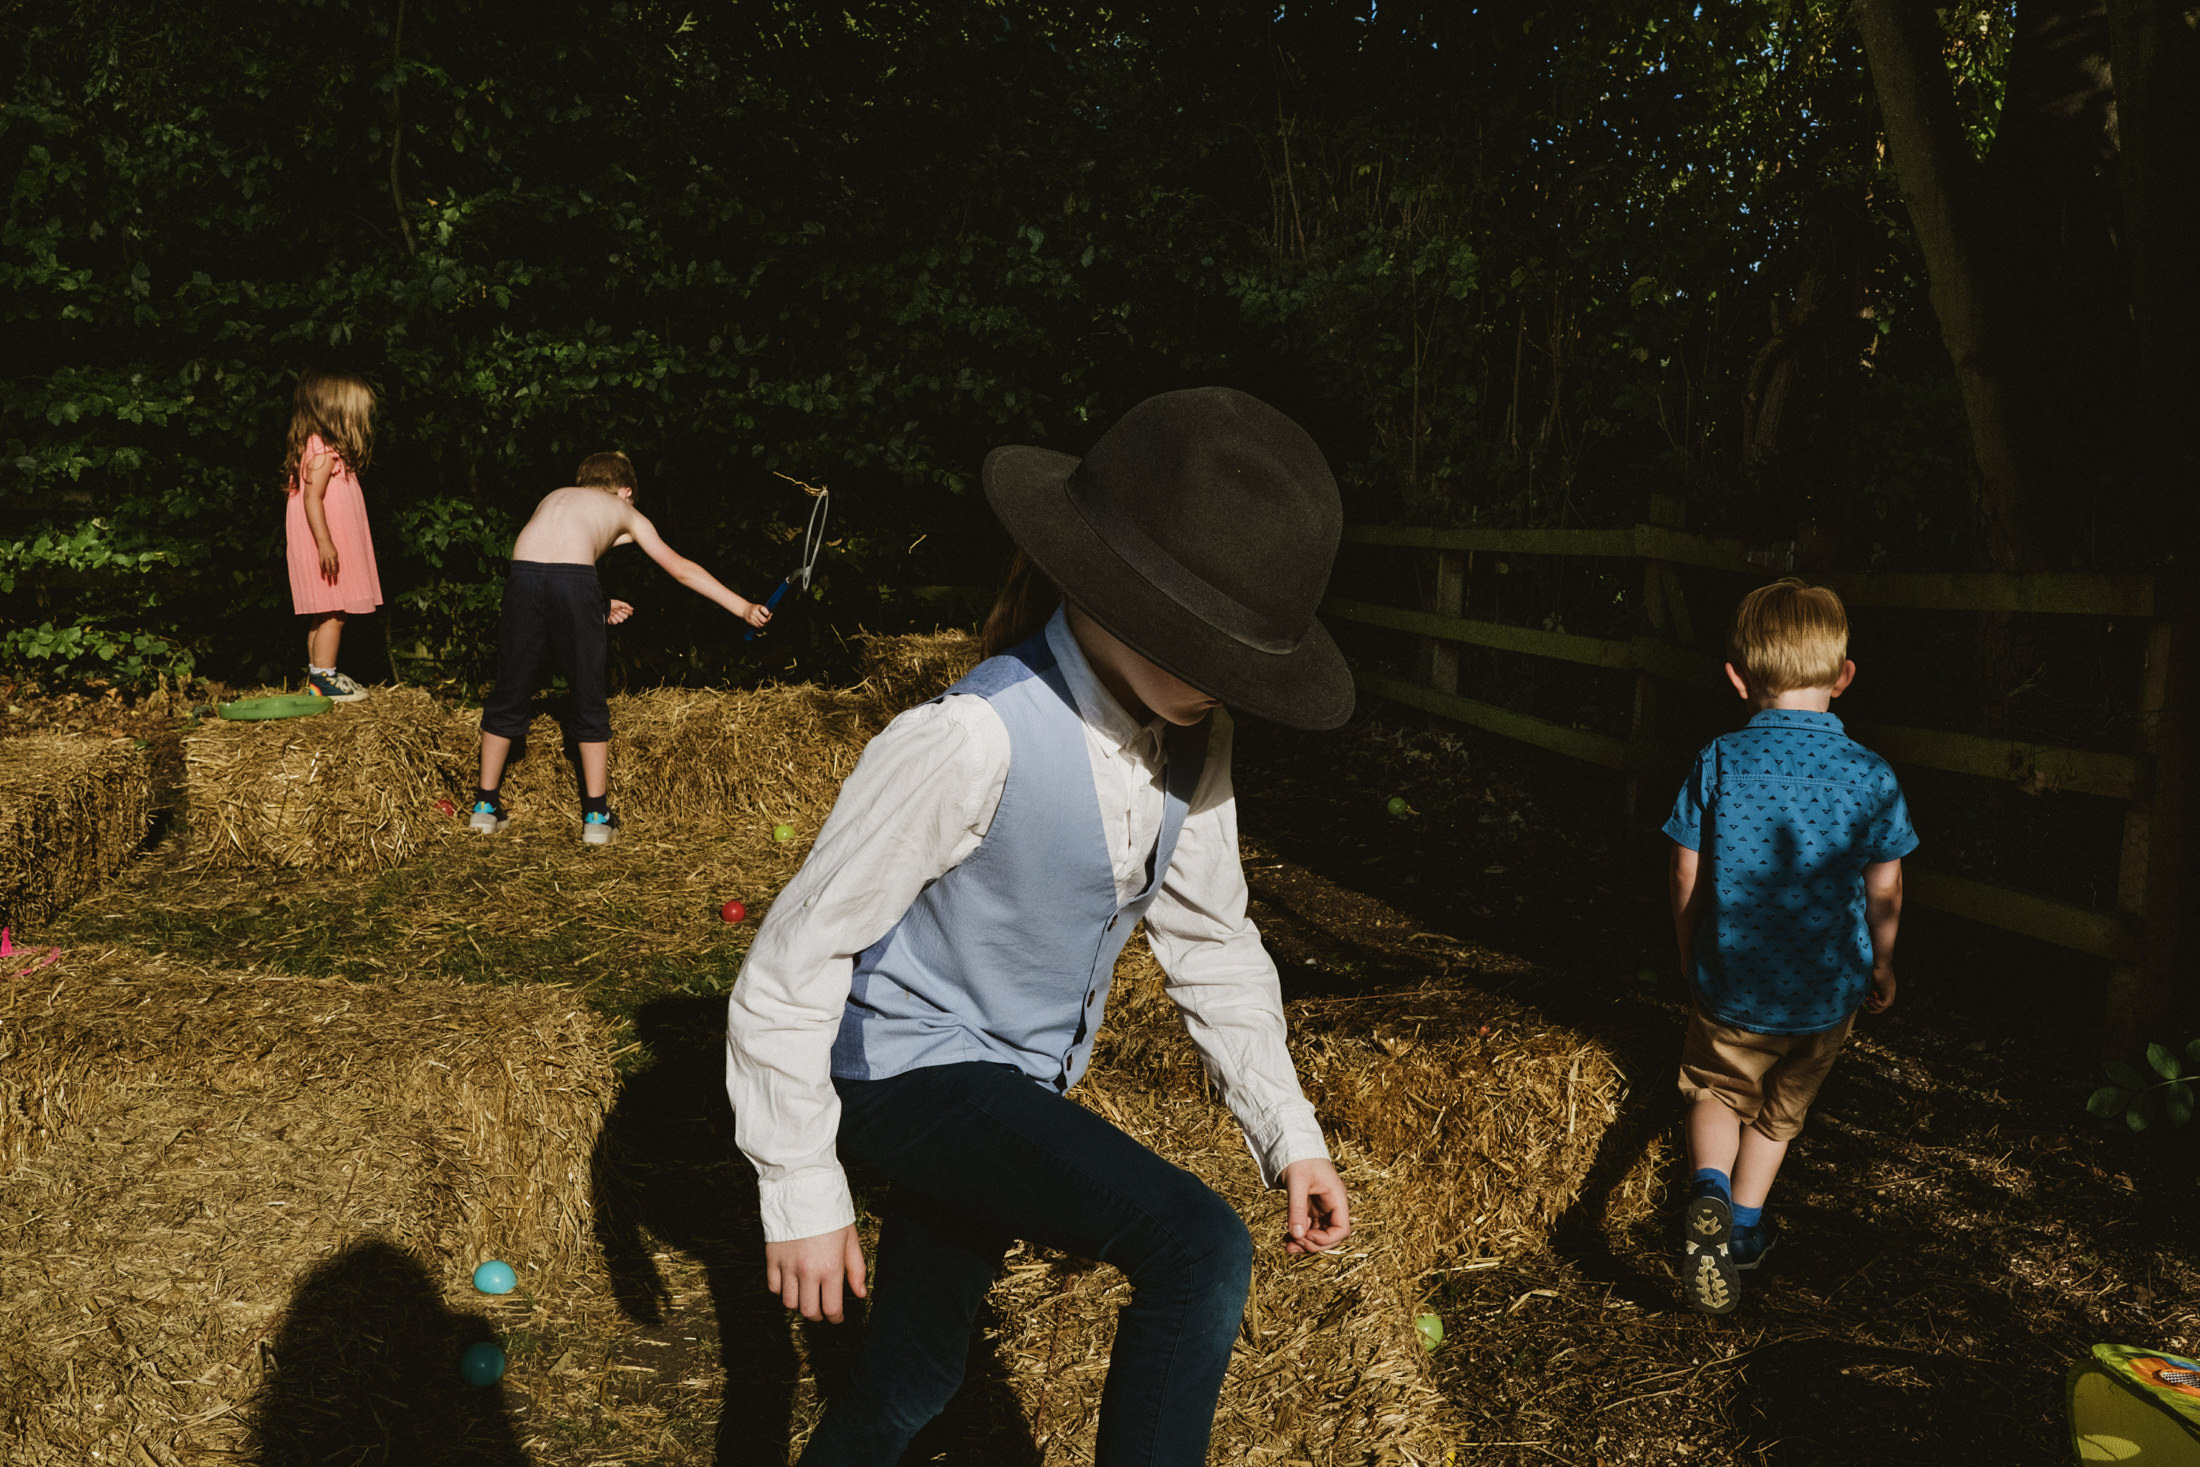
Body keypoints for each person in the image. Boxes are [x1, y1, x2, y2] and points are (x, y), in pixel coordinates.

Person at [725, 388, 1356, 1465]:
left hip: (1001, 1085)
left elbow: (1210, 941)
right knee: (1194, 1246)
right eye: (1197, 641)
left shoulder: (1196, 742)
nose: (1215, 678)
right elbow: (793, 956)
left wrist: (1288, 1133)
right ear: (1107, 587)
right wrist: (799, 1187)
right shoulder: (971, 738)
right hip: (894, 1072)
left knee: (917, 1374)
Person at [1663, 577, 1916, 1314]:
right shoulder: (1871, 774)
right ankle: (1741, 1223)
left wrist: (1688, 946)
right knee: (1781, 1111)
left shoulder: (1718, 759)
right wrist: (1883, 958)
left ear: (1738, 678)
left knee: (1716, 1089)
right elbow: (1886, 885)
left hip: (1734, 979)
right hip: (1826, 989)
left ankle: (1707, 1183)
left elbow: (1685, 865)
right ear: (1843, 676)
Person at [468, 451, 772, 845]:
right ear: (625, 491)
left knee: (510, 688)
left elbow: (550, 566)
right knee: (588, 693)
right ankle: (596, 816)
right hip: (574, 581)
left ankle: (484, 807)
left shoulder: (555, 497)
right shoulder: (622, 509)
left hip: (523, 575)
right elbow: (679, 568)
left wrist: (598, 602)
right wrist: (743, 607)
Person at [283, 368, 384, 702]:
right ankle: (325, 679)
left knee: (324, 612)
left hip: (327, 542)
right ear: (337, 412)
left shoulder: (318, 446)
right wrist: (325, 541)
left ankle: (316, 677)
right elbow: (312, 498)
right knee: (334, 613)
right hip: (326, 544)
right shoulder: (323, 450)